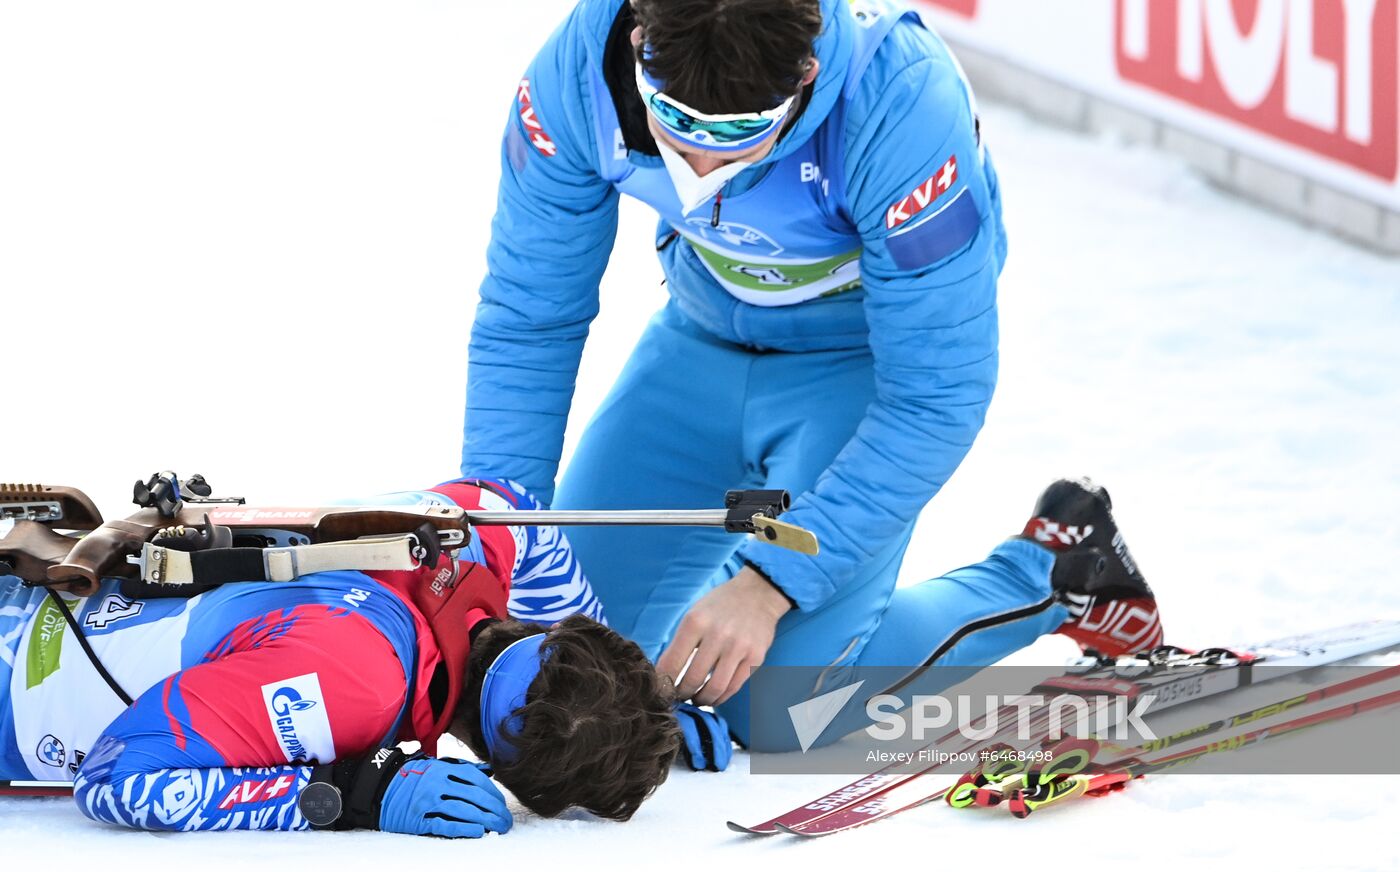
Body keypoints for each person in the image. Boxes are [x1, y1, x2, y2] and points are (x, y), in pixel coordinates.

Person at [461, 0, 1164, 743]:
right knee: (568, 657)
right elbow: (530, 316)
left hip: (853, 373)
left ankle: (1051, 574)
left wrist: (770, 584)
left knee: (777, 710)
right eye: (674, 118)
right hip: (696, 345)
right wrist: (498, 538)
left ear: (807, 74)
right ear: (638, 38)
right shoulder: (582, 71)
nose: (701, 163)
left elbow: (936, 397)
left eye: (738, 133)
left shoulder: (902, 103)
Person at [0, 478, 681, 835]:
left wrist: (628, 689)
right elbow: (120, 784)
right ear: (514, 777)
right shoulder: (361, 689)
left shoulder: (469, 541)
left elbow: (517, 506)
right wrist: (349, 795)